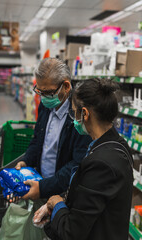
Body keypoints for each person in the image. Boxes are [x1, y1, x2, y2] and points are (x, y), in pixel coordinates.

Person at [34, 78, 133, 240]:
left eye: (74, 112)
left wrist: (57, 204)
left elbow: (72, 232)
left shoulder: (101, 163)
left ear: (85, 114)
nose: (73, 118)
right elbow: (91, 205)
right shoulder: (117, 144)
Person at [13, 58, 92, 239]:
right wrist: (26, 161)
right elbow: (37, 140)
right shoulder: (45, 105)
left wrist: (44, 188)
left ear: (66, 86)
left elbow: (77, 163)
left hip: (63, 195)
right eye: (39, 91)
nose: (43, 97)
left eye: (47, 92)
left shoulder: (79, 114)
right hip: (40, 183)